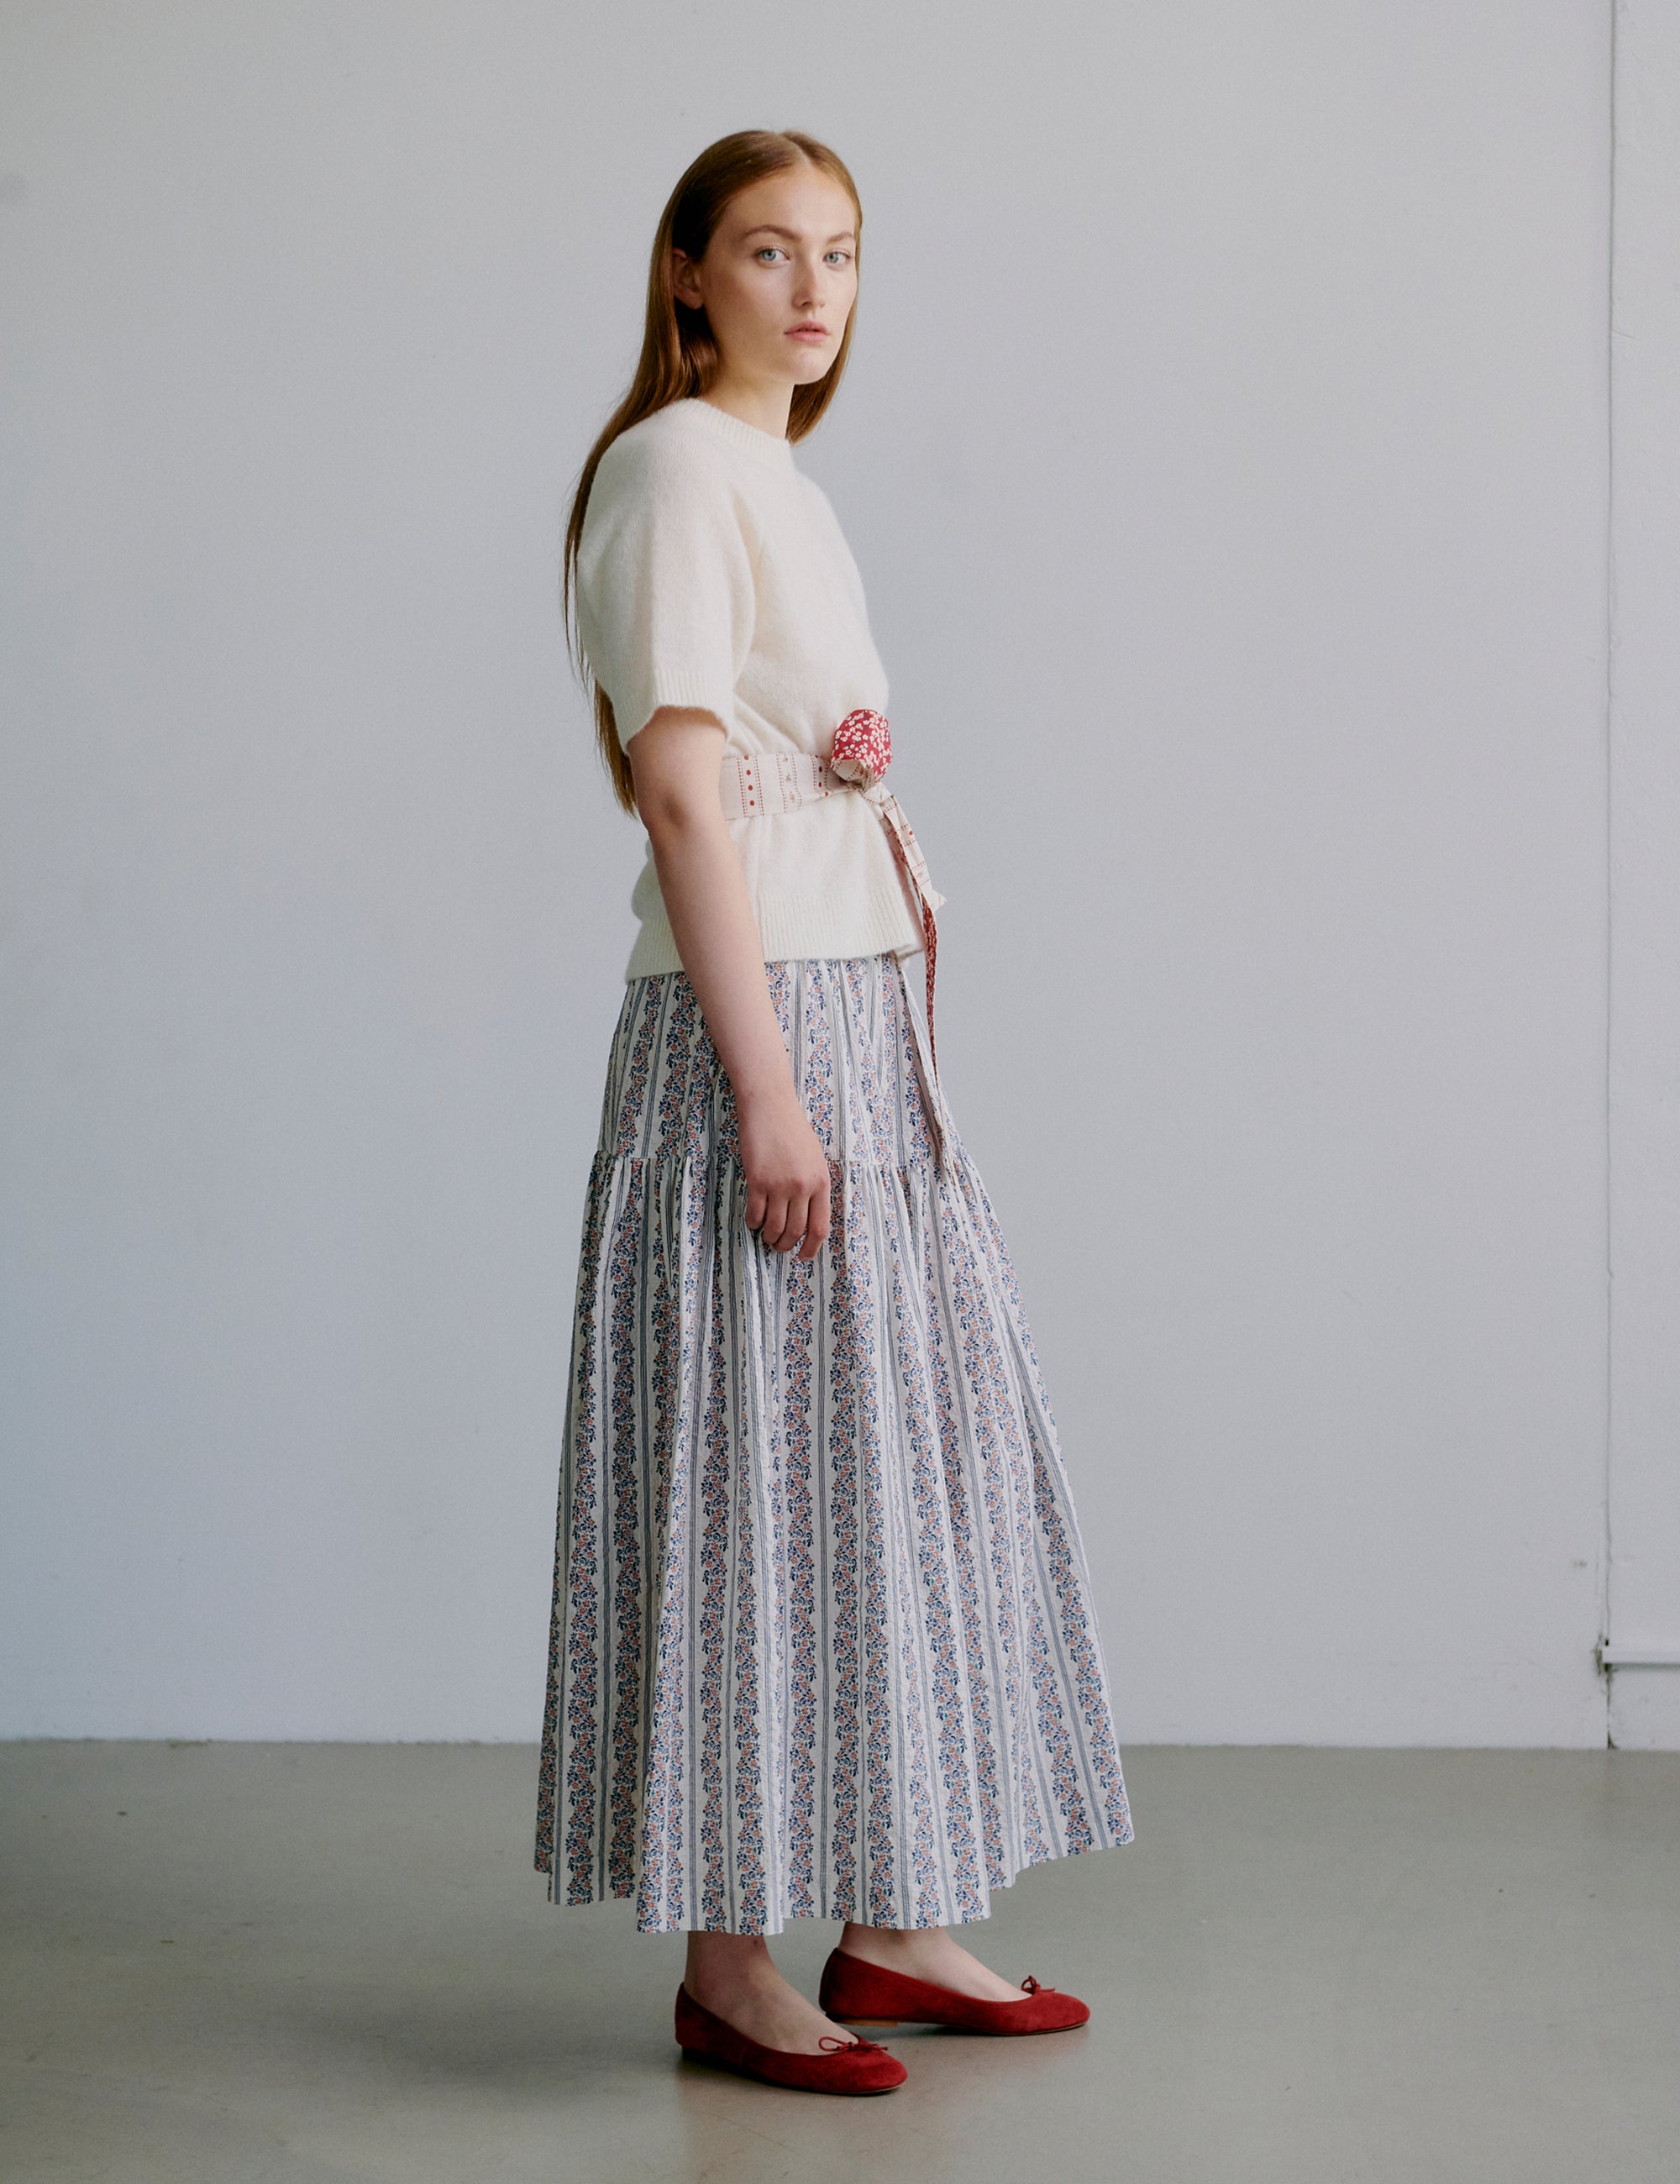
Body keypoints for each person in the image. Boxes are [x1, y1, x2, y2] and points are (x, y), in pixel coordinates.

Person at [534, 126, 1133, 2097]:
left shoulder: (774, 474)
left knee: (876, 1452)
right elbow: (688, 793)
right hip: (765, 1028)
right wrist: (765, 1085)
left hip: (857, 1016)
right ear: (686, 273)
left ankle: (884, 1915)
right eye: (770, 252)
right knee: (748, 1469)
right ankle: (728, 1963)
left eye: (844, 256)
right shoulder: (678, 467)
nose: (813, 291)